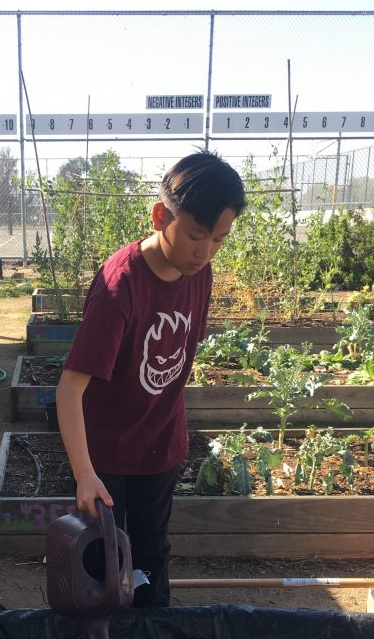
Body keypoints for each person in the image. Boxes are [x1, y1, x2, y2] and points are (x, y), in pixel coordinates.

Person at [56, 152, 245, 607]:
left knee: (152, 556)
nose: (205, 252)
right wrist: (85, 475)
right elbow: (69, 389)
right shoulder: (121, 287)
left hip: (161, 447)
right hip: (108, 460)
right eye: (196, 236)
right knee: (106, 565)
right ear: (161, 216)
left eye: (219, 240)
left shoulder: (199, 272)